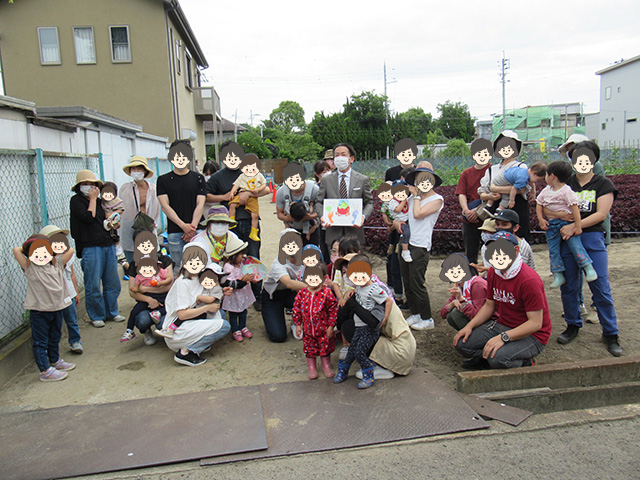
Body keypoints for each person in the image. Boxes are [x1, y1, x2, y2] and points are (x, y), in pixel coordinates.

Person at [551, 141, 622, 357]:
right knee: (570, 285)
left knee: (600, 284)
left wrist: (575, 224)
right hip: (567, 237)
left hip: (591, 238)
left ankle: (611, 333)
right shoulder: (566, 183)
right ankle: (573, 324)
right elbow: (551, 206)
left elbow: (601, 214)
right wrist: (560, 218)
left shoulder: (603, 184)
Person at [453, 234, 552, 369]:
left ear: (516, 250)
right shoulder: (494, 271)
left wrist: (503, 337)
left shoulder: (529, 280)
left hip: (533, 335)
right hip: (503, 324)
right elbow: (489, 305)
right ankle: (488, 357)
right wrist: (470, 326)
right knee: (461, 343)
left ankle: (525, 361)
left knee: (498, 358)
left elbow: (535, 323)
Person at [207, 142, 268, 310]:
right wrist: (225, 196)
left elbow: (266, 189)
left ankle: (257, 295)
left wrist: (248, 192)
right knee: (228, 259)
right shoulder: (217, 176)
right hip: (229, 224)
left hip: (250, 222)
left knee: (253, 256)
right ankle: (228, 293)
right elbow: (206, 196)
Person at [13, 235, 76, 382]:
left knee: (55, 336)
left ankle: (54, 360)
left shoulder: (57, 264)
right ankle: (45, 370)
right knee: (41, 341)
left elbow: (71, 249)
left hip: (57, 308)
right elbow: (16, 250)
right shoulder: (30, 267)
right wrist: (30, 245)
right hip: (39, 310)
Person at [69, 169, 124, 327]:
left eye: (92, 184)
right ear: (79, 186)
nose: (89, 187)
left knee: (112, 281)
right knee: (93, 283)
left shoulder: (101, 202)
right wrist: (93, 199)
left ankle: (112, 312)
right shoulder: (76, 201)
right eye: (85, 184)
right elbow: (88, 217)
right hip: (90, 247)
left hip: (107, 244)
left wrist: (114, 222)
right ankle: (96, 315)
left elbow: (105, 219)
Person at [161, 242, 231, 365]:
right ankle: (187, 352)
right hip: (177, 329)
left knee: (219, 314)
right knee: (224, 325)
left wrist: (221, 293)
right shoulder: (182, 282)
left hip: (191, 321)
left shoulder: (200, 278)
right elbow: (182, 315)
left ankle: (199, 342)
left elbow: (208, 296)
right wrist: (207, 307)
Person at [333, 255, 393, 389]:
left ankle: (369, 374)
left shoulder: (374, 288)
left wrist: (385, 317)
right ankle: (343, 371)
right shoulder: (358, 287)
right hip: (359, 327)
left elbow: (388, 300)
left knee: (360, 352)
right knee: (351, 351)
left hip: (369, 329)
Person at [396, 165, 444, 331]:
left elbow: (418, 214)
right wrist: (396, 222)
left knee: (417, 282)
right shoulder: (412, 198)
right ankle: (416, 313)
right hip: (405, 243)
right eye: (418, 178)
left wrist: (415, 197)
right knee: (407, 281)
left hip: (420, 245)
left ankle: (427, 318)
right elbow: (400, 215)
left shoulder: (437, 199)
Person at [536, 160, 597, 288]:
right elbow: (539, 204)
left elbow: (575, 209)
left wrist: (578, 226)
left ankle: (588, 267)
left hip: (566, 223)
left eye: (546, 175)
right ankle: (558, 274)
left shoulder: (566, 191)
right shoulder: (546, 190)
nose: (545, 178)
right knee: (553, 250)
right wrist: (541, 219)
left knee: (576, 246)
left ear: (552, 176)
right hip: (551, 225)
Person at [157, 140, 206, 274]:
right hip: (175, 231)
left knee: (201, 267)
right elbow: (165, 206)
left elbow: (200, 204)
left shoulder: (199, 178)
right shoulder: (162, 180)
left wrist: (192, 228)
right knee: (179, 268)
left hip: (197, 231)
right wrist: (183, 226)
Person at [316, 143, 374, 250]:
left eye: (343, 154)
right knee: (335, 263)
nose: (339, 158)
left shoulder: (362, 179)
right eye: (337, 155)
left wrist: (363, 217)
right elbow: (319, 202)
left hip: (354, 232)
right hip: (333, 231)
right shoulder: (326, 180)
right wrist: (322, 216)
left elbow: (369, 202)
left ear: (351, 159)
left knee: (353, 263)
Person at [478, 131, 531, 241]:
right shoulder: (492, 169)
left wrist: (495, 188)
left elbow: (521, 189)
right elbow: (482, 193)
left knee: (518, 243)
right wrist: (490, 197)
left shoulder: (520, 166)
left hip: (516, 209)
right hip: (496, 212)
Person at [40, 226, 83, 354]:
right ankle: (52, 347)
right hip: (54, 297)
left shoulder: (67, 257)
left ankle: (75, 341)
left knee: (71, 320)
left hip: (68, 294)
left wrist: (76, 292)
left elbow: (72, 275)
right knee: (54, 324)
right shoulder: (44, 260)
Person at [293, 265, 339, 379]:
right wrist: (298, 324)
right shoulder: (302, 293)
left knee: (325, 347)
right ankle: (312, 368)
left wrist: (331, 326)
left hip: (323, 329)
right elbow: (296, 309)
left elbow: (334, 310)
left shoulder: (326, 293)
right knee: (309, 349)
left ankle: (326, 366)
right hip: (308, 330)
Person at [261, 229, 306, 342]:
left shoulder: (307, 259)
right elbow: (289, 283)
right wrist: (313, 286)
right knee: (278, 336)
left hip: (293, 294)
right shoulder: (279, 262)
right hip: (273, 296)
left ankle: (297, 321)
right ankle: (272, 316)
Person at [125, 245, 175, 346]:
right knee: (142, 320)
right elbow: (133, 291)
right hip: (145, 302)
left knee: (163, 323)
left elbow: (170, 283)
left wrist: (147, 289)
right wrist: (148, 299)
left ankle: (161, 320)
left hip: (163, 299)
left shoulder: (162, 266)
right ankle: (134, 330)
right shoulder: (137, 271)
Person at [457, 139, 493, 269]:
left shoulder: (493, 170)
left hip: (489, 217)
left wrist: (478, 212)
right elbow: (461, 193)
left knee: (491, 252)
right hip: (470, 218)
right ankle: (472, 281)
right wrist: (466, 210)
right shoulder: (466, 173)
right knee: (471, 254)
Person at [119, 156, 161, 266]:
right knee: (133, 266)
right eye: (134, 169)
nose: (136, 172)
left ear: (145, 171)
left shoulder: (154, 189)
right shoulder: (125, 188)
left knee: (150, 266)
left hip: (148, 229)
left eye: (139, 169)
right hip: (130, 231)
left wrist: (153, 224)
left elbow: (157, 210)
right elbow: (122, 209)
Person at [438, 253, 495, 335]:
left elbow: (480, 316)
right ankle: (470, 337)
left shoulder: (477, 284)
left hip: (491, 323)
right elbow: (442, 314)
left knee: (456, 313)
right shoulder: (460, 286)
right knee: (450, 315)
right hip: (478, 320)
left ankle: (475, 338)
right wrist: (452, 304)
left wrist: (461, 300)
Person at [121, 257, 169, 342]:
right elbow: (135, 288)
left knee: (169, 306)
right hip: (146, 300)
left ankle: (159, 313)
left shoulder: (160, 272)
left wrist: (160, 283)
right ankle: (130, 330)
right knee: (134, 311)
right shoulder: (139, 277)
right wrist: (136, 290)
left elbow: (170, 280)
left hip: (161, 297)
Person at [276, 162, 320, 247]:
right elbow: (279, 213)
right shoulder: (281, 192)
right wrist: (288, 218)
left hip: (312, 229)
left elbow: (322, 210)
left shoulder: (315, 190)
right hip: (292, 229)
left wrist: (309, 217)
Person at [222, 236, 256, 342]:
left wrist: (252, 278)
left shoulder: (241, 264)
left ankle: (243, 326)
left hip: (243, 294)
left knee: (243, 311)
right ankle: (235, 329)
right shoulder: (228, 267)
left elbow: (246, 273)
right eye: (241, 254)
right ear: (233, 256)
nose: (243, 256)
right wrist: (243, 280)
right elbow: (231, 284)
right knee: (233, 313)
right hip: (234, 295)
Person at [228, 154, 267, 241]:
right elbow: (236, 185)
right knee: (232, 204)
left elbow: (264, 185)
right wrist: (232, 192)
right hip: (241, 193)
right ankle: (231, 220)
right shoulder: (242, 176)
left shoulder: (259, 175)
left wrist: (258, 189)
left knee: (254, 215)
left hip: (252, 197)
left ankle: (254, 232)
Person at [388, 183, 413, 263]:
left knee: (408, 233)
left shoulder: (407, 199)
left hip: (407, 220)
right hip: (401, 221)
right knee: (406, 233)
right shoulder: (393, 202)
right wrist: (403, 201)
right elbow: (398, 210)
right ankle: (405, 251)